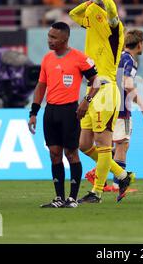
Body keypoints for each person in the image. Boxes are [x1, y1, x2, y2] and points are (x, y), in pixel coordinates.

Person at [68, 0, 135, 203]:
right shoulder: (92, 26)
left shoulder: (115, 32)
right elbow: (73, 14)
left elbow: (114, 14)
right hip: (92, 90)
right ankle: (122, 175)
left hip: (105, 90)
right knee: (84, 144)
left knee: (103, 143)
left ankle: (96, 192)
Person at [28, 21, 100, 208]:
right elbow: (41, 86)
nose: (49, 40)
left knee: (71, 153)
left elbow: (96, 81)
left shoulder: (79, 58)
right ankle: (59, 198)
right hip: (50, 111)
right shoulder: (47, 59)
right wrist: (34, 112)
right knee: (54, 154)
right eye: (49, 36)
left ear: (64, 39)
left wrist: (86, 101)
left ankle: (72, 198)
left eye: (53, 37)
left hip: (70, 111)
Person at [111, 29, 143, 191]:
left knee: (112, 145)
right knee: (122, 145)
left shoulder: (116, 57)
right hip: (121, 108)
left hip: (108, 105)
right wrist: (142, 106)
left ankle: (106, 179)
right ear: (139, 44)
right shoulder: (130, 60)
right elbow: (127, 84)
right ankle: (117, 184)